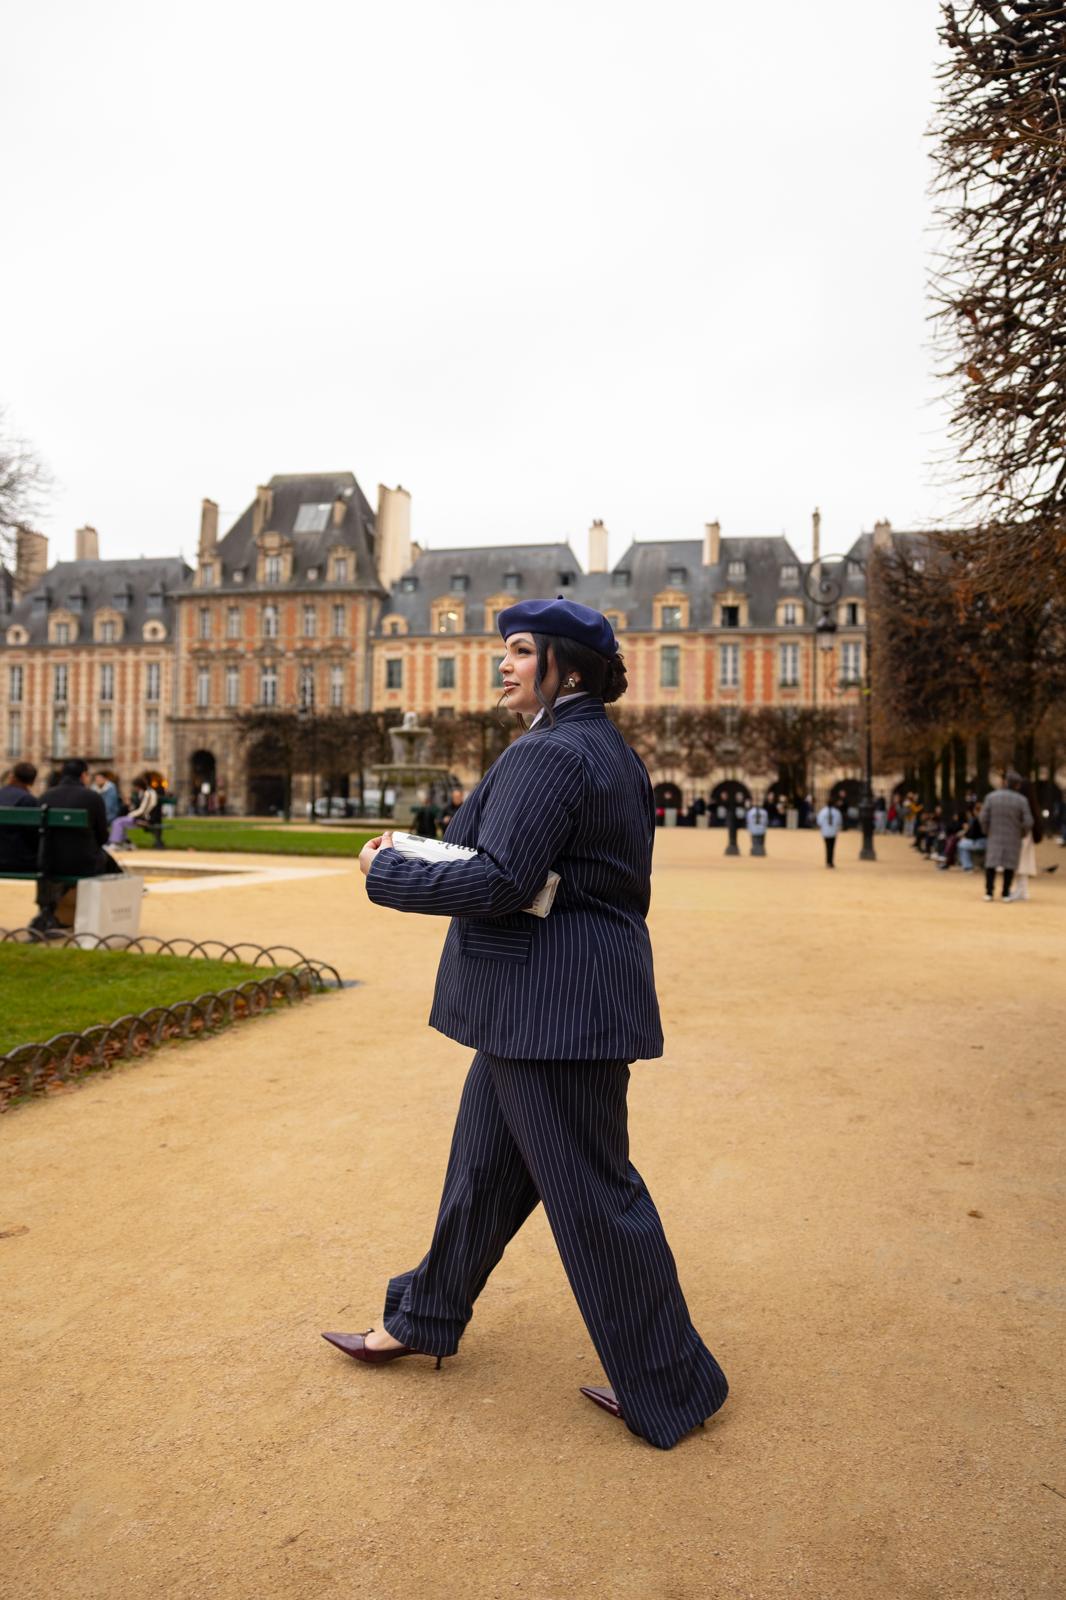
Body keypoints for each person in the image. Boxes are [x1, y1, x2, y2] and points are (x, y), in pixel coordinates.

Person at [322, 597, 728, 1451]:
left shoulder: (552, 751)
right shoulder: (597, 748)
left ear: (566, 666)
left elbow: (500, 882)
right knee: (481, 1175)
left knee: (596, 1200)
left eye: (517, 650)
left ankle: (673, 1385)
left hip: (554, 1011)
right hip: (541, 1008)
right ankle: (424, 1315)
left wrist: (382, 872)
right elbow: (527, 871)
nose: (501, 663)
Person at [34, 758, 122, 932]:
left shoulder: (45, 797)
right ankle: (108, 913)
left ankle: (49, 910)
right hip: (84, 863)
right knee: (107, 861)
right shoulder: (92, 797)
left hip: (49, 863)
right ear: (83, 776)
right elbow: (102, 837)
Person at [979, 771, 1033, 902]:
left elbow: (983, 817)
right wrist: (1021, 833)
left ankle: (989, 892)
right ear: (1017, 785)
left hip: (994, 834)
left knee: (991, 864)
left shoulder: (991, 797)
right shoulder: (1021, 800)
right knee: (1010, 865)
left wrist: (987, 831)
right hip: (1013, 836)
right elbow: (1028, 821)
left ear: (1005, 782)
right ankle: (1005, 893)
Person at [0, 760, 39, 873]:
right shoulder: (28, 800)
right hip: (18, 861)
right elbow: (34, 836)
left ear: (12, 776)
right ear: (32, 782)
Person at [1008, 780, 1043, 901]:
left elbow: (1026, 821)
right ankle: (1022, 890)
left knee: (1021, 863)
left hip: (1023, 836)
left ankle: (1021, 890)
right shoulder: (1031, 802)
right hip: (1027, 835)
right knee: (1023, 862)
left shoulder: (1022, 802)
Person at [108, 777, 159, 848]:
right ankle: (126, 842)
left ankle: (116, 843)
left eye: (135, 786)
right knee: (119, 822)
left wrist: (130, 815)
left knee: (118, 822)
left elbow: (143, 810)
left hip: (147, 819)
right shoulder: (143, 793)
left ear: (138, 786)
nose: (134, 788)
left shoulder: (148, 793)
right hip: (143, 817)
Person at [956, 809, 986, 873]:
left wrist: (965, 836)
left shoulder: (976, 820)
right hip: (989, 842)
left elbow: (973, 834)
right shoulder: (988, 819)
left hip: (980, 842)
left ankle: (967, 866)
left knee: (961, 844)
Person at [816, 799, 842, 867]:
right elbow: (839, 822)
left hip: (825, 832)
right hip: (833, 832)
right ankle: (830, 861)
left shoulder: (823, 812)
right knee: (832, 847)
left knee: (827, 847)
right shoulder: (836, 812)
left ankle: (828, 861)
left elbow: (819, 822)